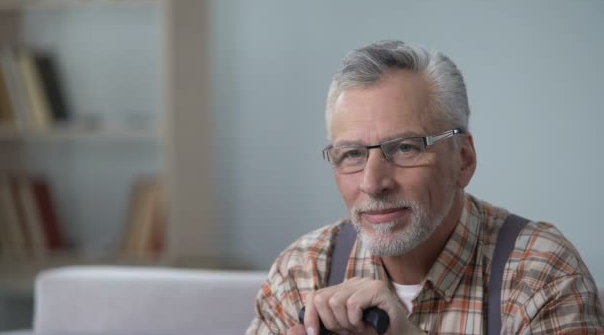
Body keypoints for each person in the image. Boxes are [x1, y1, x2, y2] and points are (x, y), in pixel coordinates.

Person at [246, 40, 604, 334]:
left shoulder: (540, 274)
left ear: (463, 159)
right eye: (353, 154)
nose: (373, 183)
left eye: (405, 148)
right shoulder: (302, 271)